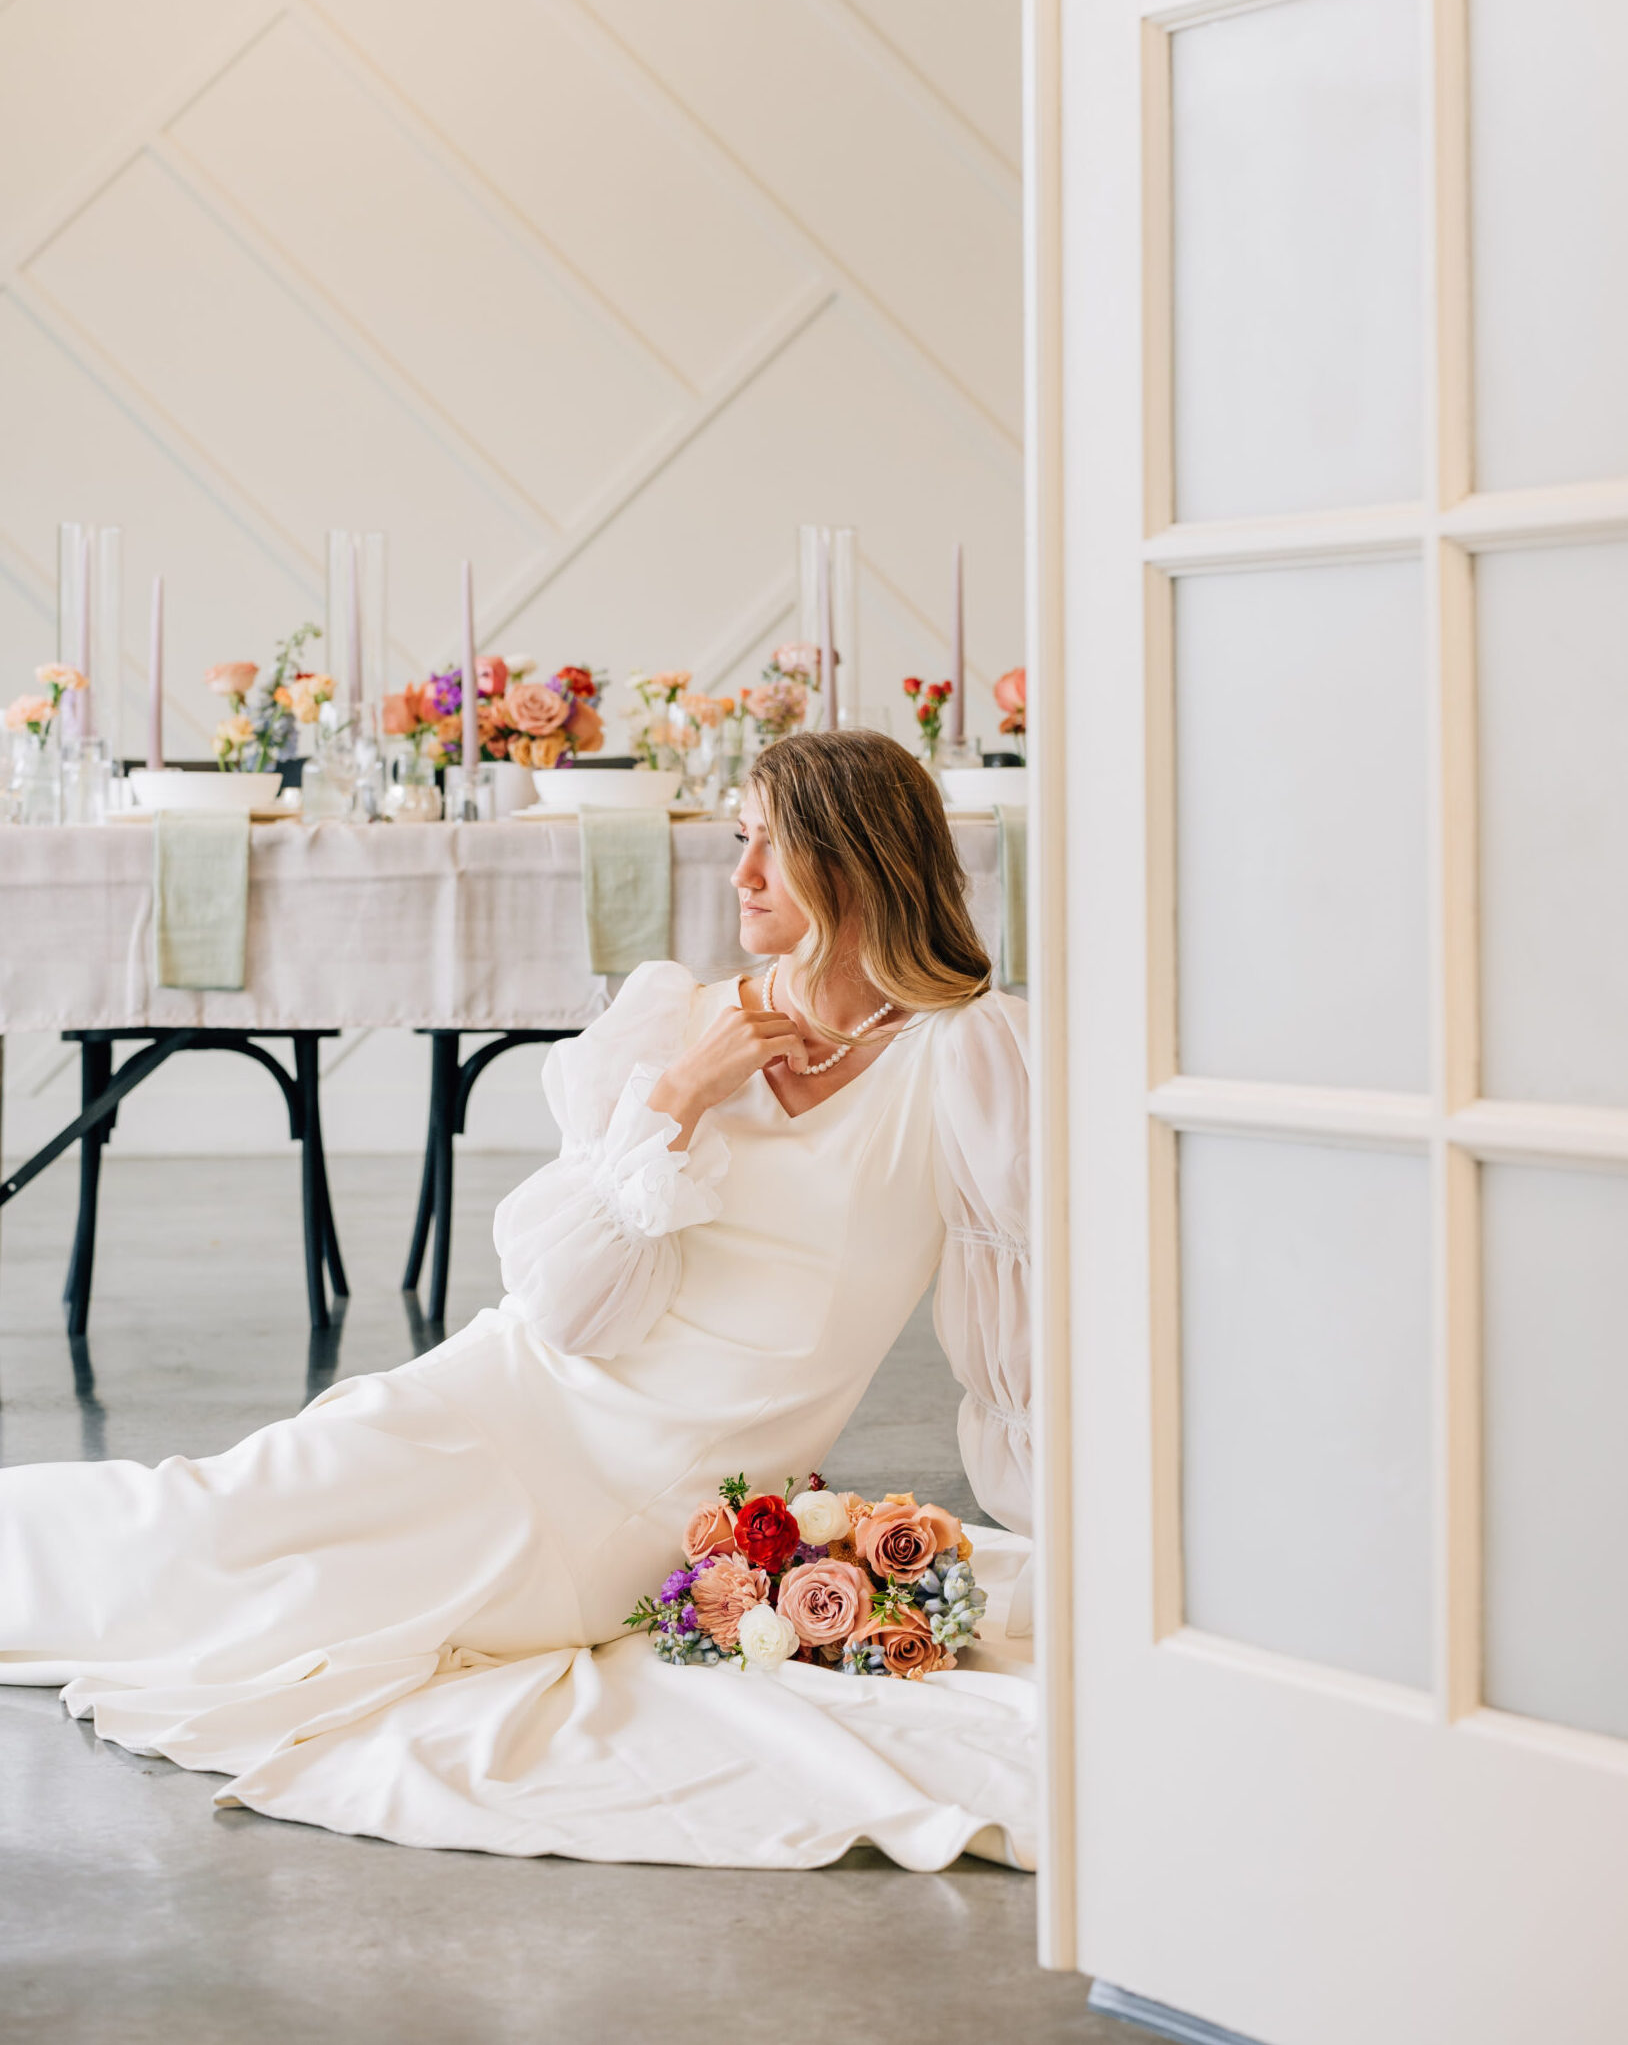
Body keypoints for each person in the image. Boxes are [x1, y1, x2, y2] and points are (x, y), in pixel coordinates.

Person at [0, 731, 1035, 1871]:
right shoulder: (674, 1022)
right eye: (737, 842)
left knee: (257, 1585)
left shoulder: (966, 1058)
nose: (735, 878)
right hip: (511, 1401)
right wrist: (681, 1095)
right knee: (205, 1523)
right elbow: (569, 1309)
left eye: (768, 852)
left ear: (853, 865)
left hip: (664, 1504)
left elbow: (1025, 1317)